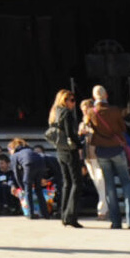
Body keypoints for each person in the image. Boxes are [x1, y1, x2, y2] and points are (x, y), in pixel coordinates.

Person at [80, 85, 130, 230]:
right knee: (126, 184)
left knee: (110, 187)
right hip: (116, 149)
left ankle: (116, 221)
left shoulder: (91, 112)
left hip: (101, 151)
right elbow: (123, 129)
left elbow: (87, 128)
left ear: (94, 98)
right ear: (106, 95)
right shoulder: (115, 110)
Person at [47, 89, 84, 228]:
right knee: (76, 182)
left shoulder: (54, 113)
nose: (73, 103)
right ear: (65, 100)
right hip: (70, 150)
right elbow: (70, 134)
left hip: (60, 150)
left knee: (67, 182)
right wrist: (79, 143)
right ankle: (71, 216)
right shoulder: (66, 113)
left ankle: (64, 214)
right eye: (72, 100)